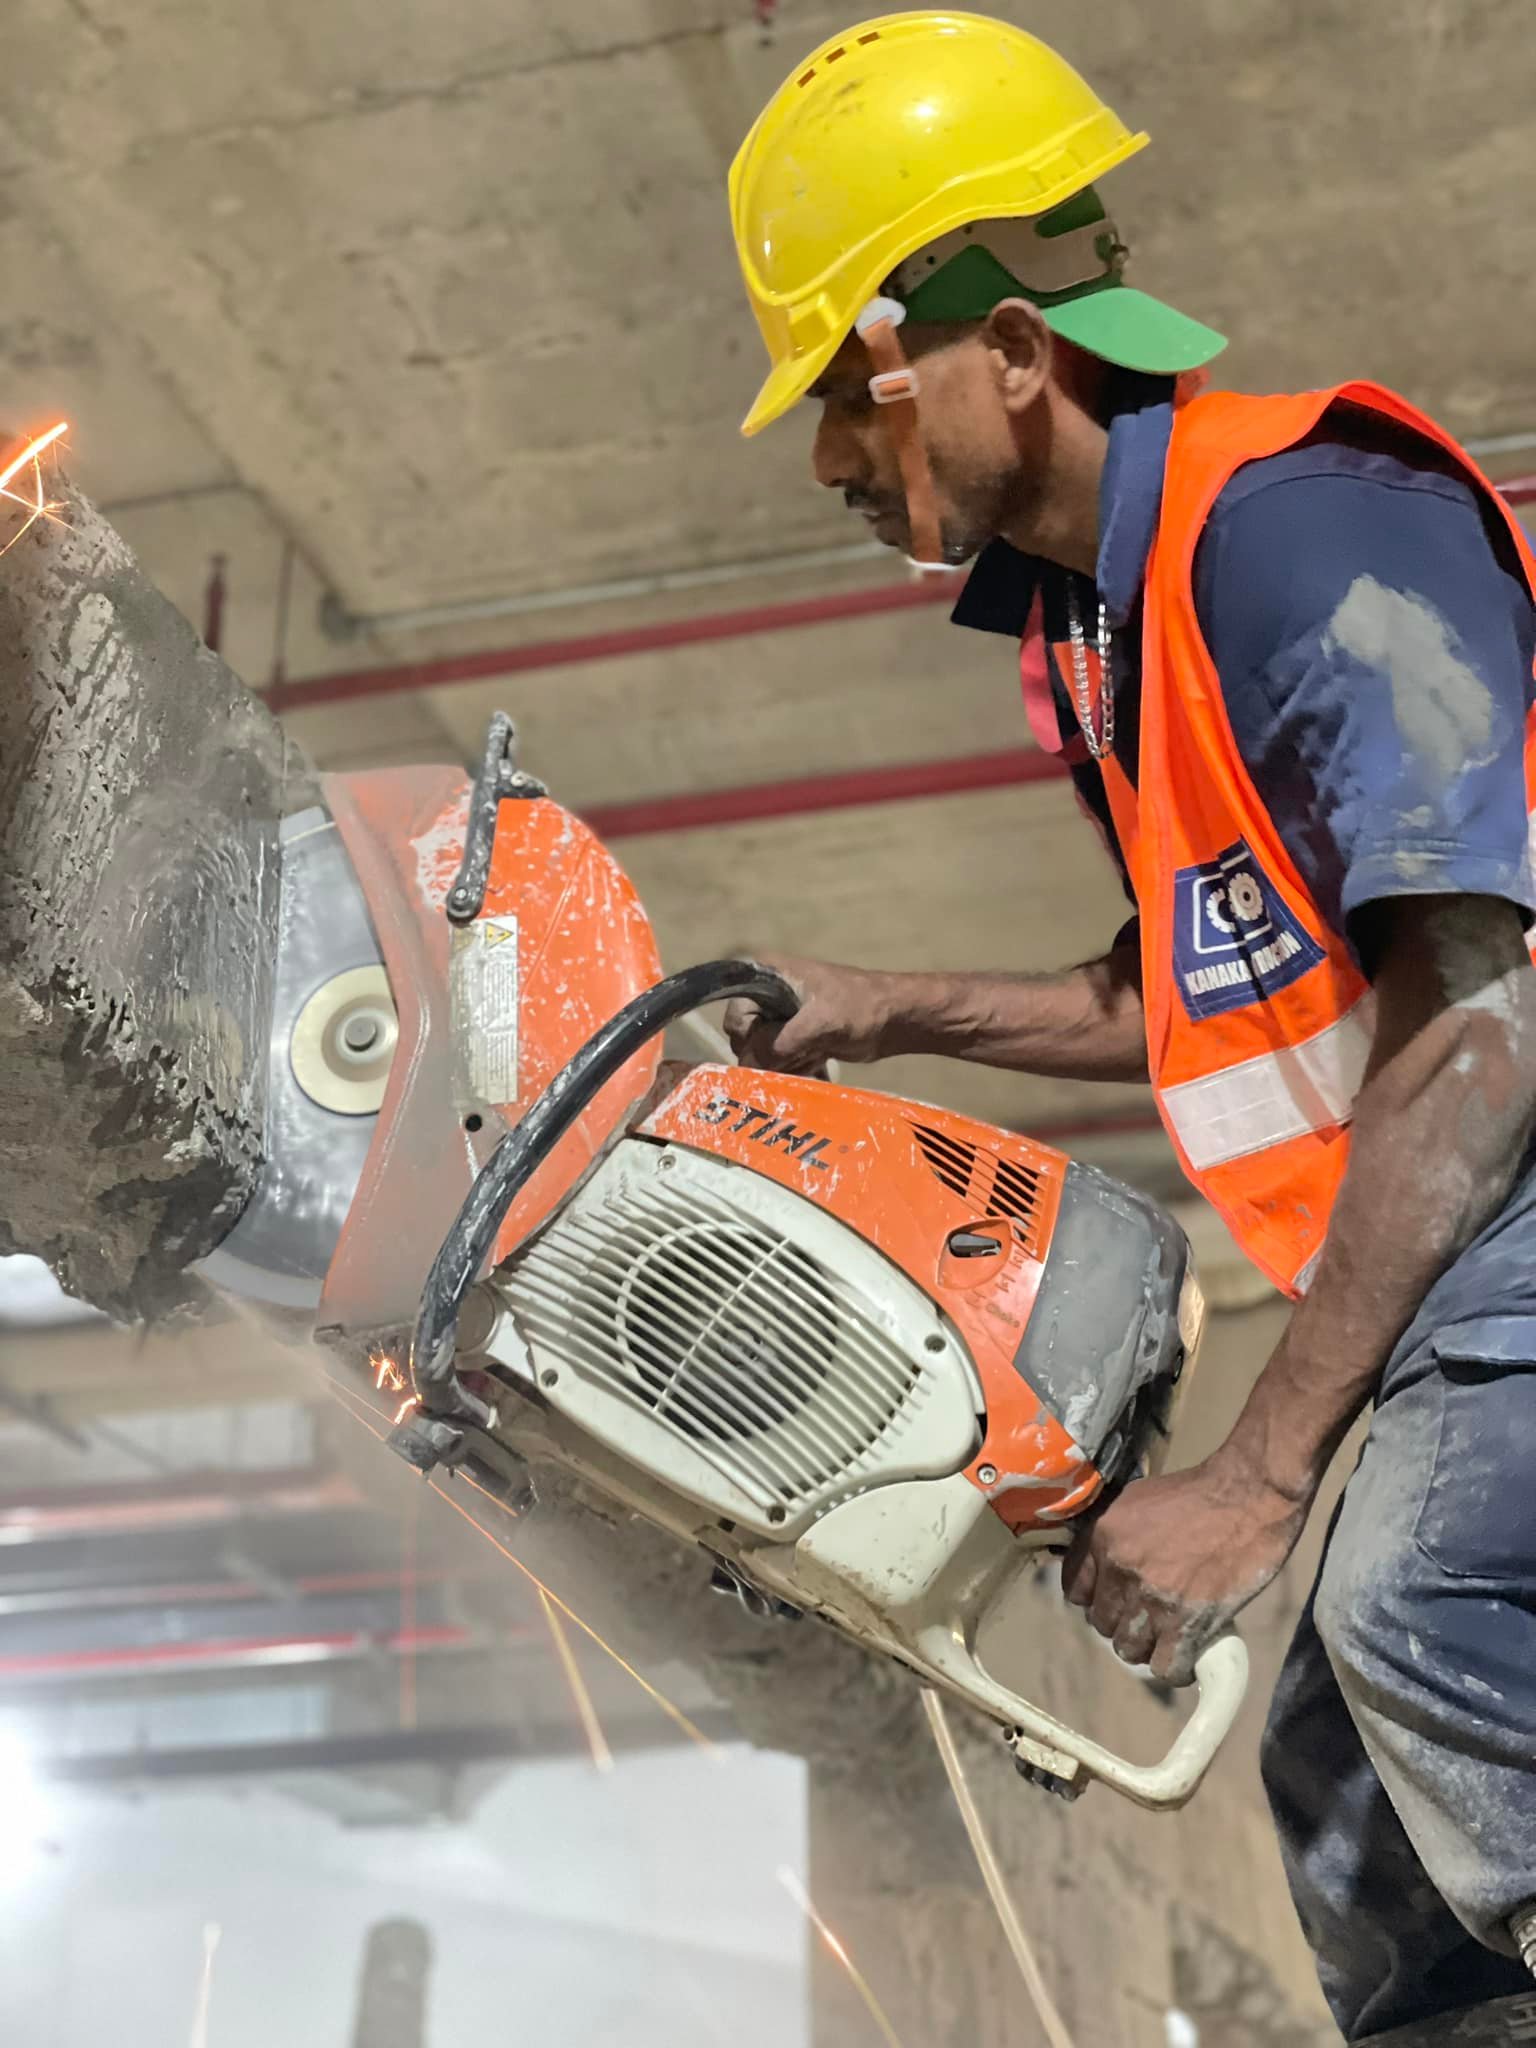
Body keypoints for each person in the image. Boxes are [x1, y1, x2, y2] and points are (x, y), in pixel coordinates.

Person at [721, 14, 1536, 2044]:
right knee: (1349, 1812)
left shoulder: (1304, 523)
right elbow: (1194, 984)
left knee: (1418, 1606)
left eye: (845, 389)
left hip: (1516, 1188)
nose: (828, 461)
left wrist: (1260, 1469)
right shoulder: (1121, 619)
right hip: (1468, 1249)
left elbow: (1480, 1019)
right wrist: (886, 1006)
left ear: (1010, 345)